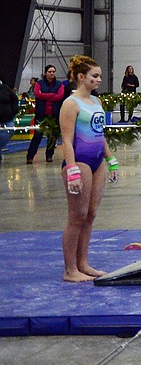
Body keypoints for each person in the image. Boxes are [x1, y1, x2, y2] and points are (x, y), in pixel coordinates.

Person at [58, 55, 118, 282]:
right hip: (80, 162)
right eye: (95, 76)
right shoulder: (70, 104)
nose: (99, 80)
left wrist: (111, 160)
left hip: (96, 162)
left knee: (90, 215)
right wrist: (72, 169)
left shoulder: (97, 103)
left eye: (100, 76)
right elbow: (66, 139)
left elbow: (99, 134)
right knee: (77, 216)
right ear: (81, 77)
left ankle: (83, 263)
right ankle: (70, 269)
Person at [26, 64, 67, 164]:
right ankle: (30, 156)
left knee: (53, 136)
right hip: (41, 114)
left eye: (53, 71)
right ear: (46, 73)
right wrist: (53, 95)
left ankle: (49, 155)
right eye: (50, 71)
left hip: (54, 114)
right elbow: (37, 94)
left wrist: (44, 95)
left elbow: (60, 96)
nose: (52, 73)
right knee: (37, 135)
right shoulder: (39, 83)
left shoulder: (59, 84)